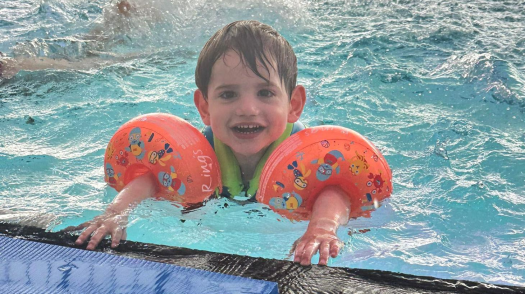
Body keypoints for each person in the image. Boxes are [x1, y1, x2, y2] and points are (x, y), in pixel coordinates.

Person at [68, 20, 353, 266]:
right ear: (204, 107)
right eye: (228, 95)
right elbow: (151, 178)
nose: (247, 109)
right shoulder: (196, 154)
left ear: (293, 104)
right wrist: (116, 214)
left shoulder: (306, 157)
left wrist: (322, 227)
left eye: (265, 93)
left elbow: (333, 190)